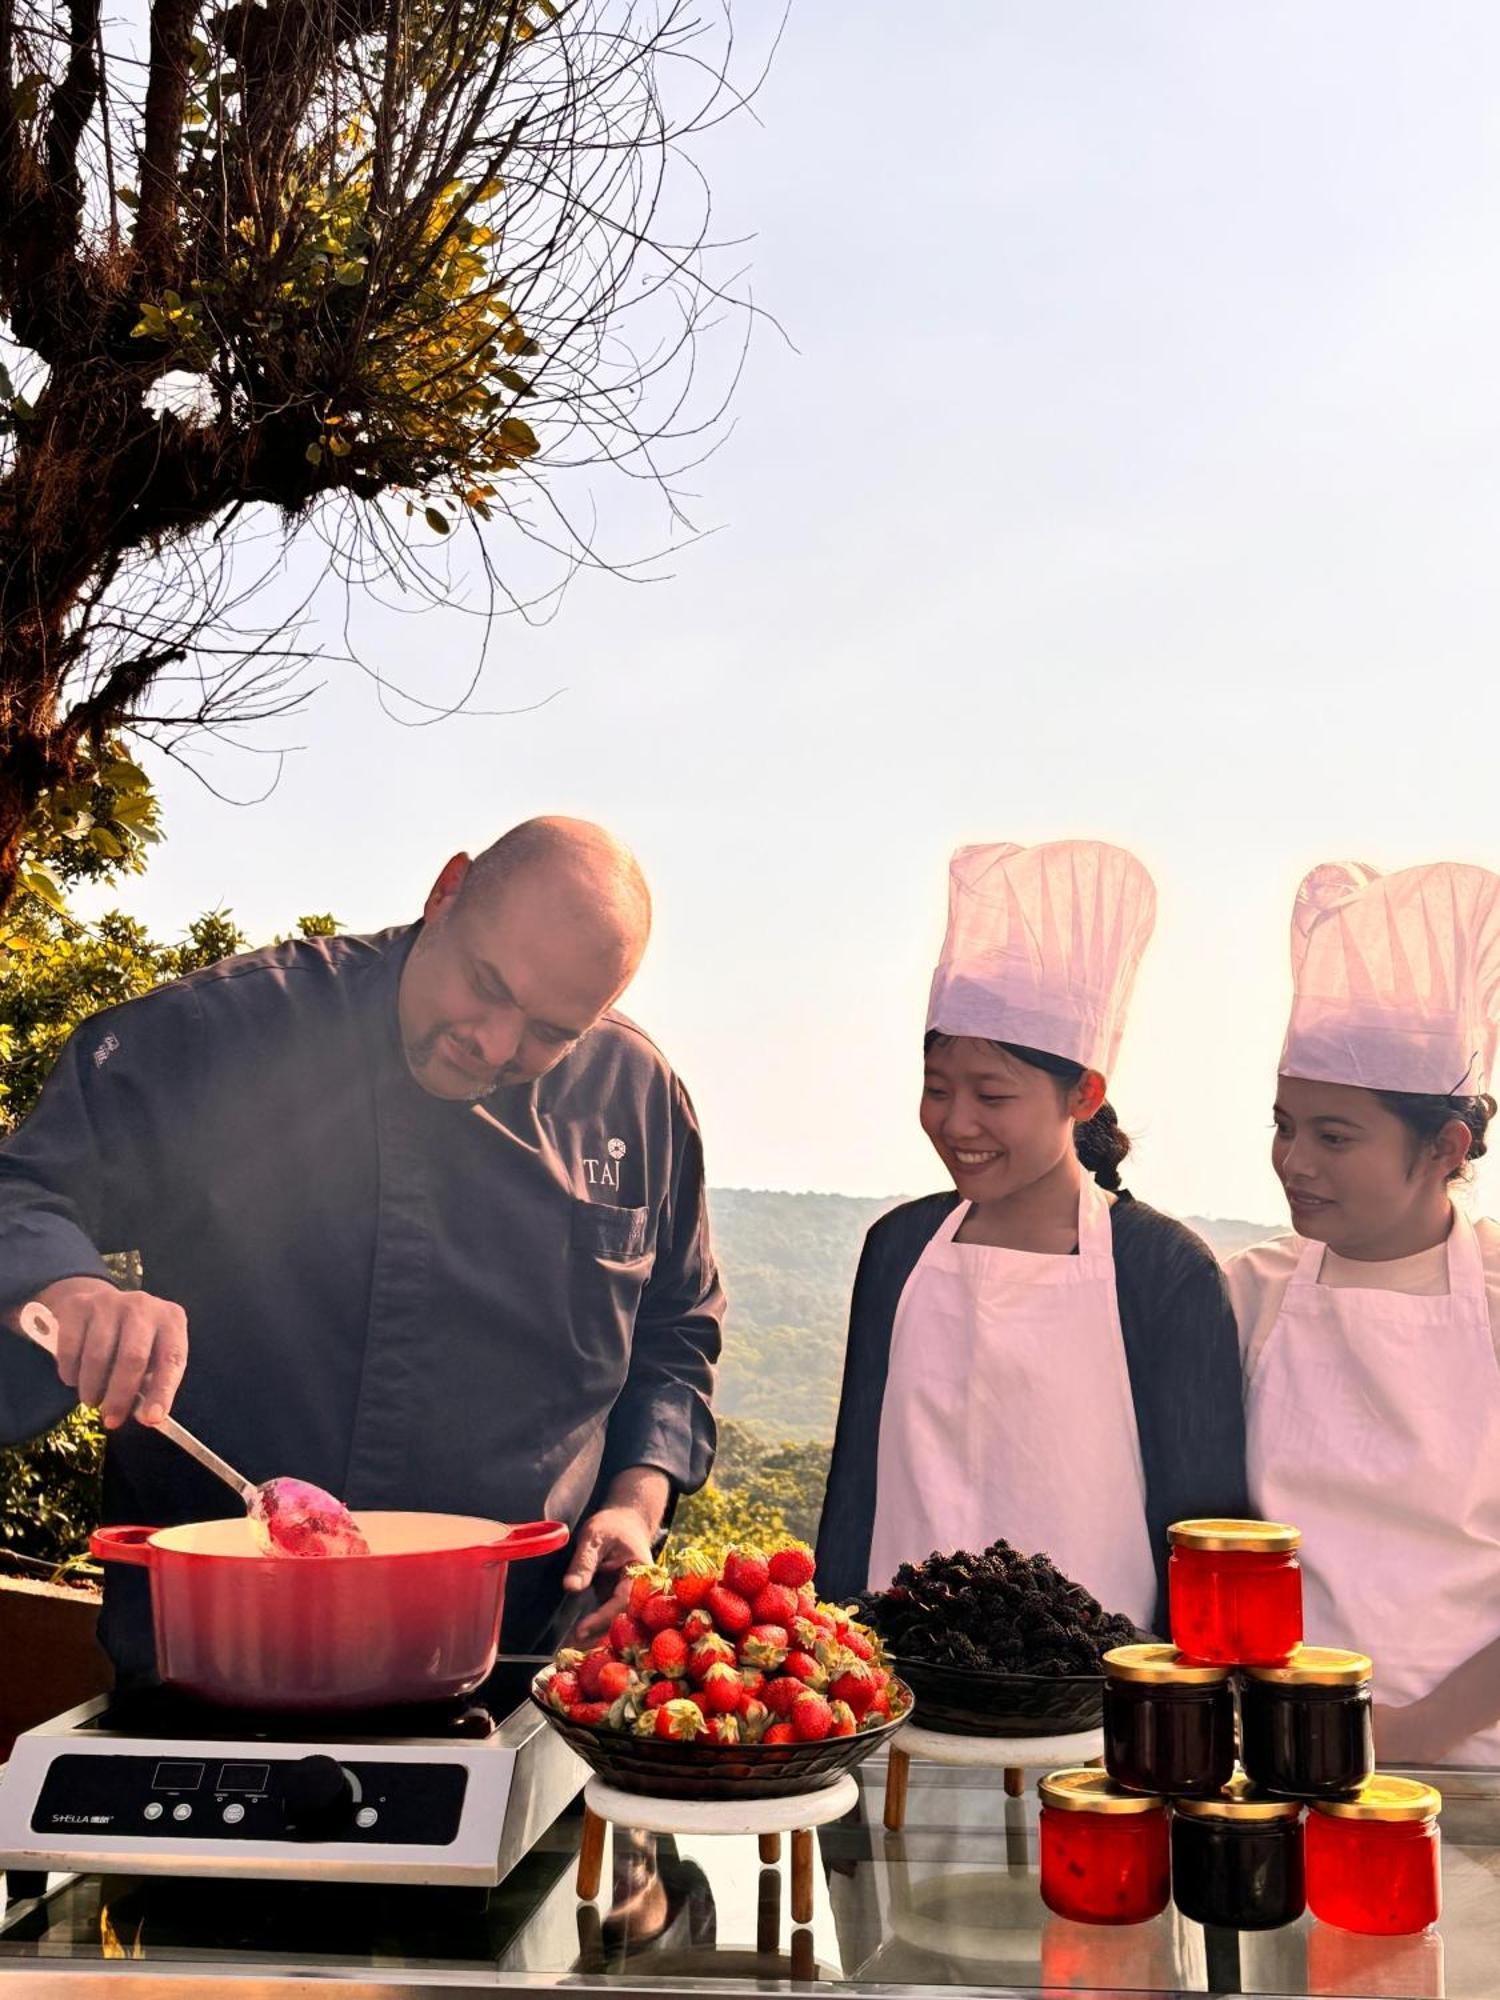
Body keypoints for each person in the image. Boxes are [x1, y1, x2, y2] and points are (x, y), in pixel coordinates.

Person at [0, 816, 724, 1676]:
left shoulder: (634, 1096)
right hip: (219, 1649)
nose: (494, 1043)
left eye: (548, 1034)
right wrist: (75, 1290)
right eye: (485, 985)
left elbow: (676, 1328)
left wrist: (638, 1500)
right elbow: (24, 1189)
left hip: (520, 1660)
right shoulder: (228, 1029)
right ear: (446, 889)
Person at [816, 840, 1247, 1633]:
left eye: (992, 1094)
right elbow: (855, 1495)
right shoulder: (898, 1249)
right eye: (937, 1090)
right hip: (900, 1683)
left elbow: (1204, 1524)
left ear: (1083, 1093)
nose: (956, 1123)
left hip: (1100, 1700)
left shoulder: (1162, 1269)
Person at [1225, 858, 1500, 1765]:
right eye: (1284, 1124)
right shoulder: (1250, 1293)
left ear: (1445, 1146)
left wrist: (1408, 1735)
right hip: (1274, 1755)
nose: (1294, 1161)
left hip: (1480, 1775)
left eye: (1334, 1136)